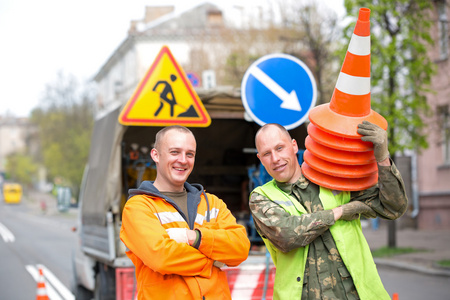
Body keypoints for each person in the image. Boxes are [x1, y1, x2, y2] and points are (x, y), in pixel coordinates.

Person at [249, 122, 408, 300]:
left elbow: (393, 207)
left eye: (280, 148)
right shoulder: (261, 198)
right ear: (260, 159)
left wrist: (383, 158)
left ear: (294, 146)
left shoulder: (332, 178)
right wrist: (339, 212)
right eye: (266, 154)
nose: (275, 158)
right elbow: (287, 236)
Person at [120, 125, 250, 300]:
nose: (183, 160)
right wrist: (213, 260)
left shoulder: (212, 203)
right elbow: (162, 257)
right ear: (155, 155)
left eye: (190, 154)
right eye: (175, 152)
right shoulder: (138, 207)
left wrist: (194, 238)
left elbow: (240, 248)